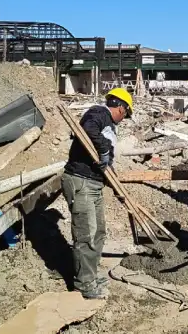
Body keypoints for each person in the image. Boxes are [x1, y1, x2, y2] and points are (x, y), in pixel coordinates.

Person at [62, 87, 133, 299]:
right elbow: (87, 129)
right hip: (81, 182)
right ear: (121, 107)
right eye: (126, 113)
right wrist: (103, 148)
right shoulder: (98, 113)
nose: (125, 117)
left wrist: (111, 174)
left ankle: (90, 275)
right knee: (86, 235)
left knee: (99, 232)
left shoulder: (108, 123)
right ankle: (83, 283)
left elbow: (104, 158)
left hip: (94, 183)